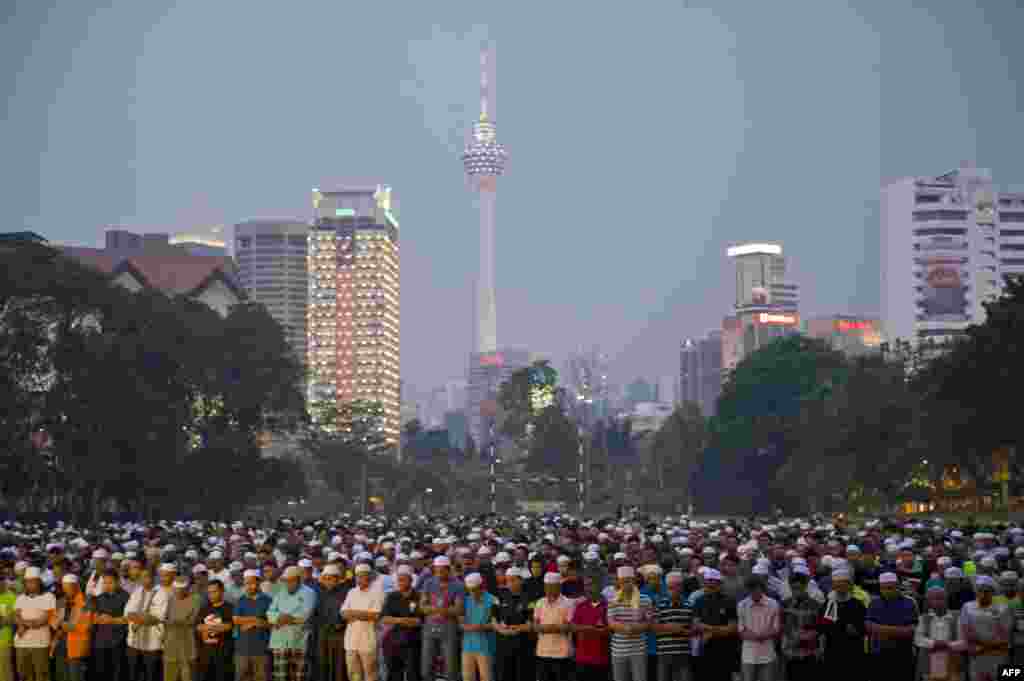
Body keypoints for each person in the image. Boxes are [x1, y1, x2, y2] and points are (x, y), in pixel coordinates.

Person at [866, 572, 919, 681]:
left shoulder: (910, 602)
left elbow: (913, 630)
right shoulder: (874, 603)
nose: (887, 591)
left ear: (897, 586)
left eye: (890, 588)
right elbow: (869, 626)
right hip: (879, 654)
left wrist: (881, 629)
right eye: (884, 588)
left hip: (903, 654)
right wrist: (899, 630)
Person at [268, 565, 316, 681]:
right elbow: (270, 613)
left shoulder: (309, 592)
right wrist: (283, 618)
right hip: (279, 640)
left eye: (291, 581)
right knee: (280, 677)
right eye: (286, 581)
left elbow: (304, 616)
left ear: (299, 580)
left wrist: (281, 618)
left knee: (299, 677)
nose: (288, 583)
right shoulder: (280, 591)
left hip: (299, 640)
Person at [960, 575, 1012, 681]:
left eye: (987, 591)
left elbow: (1005, 635)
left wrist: (985, 647)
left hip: (997, 656)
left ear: (993, 592)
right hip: (977, 656)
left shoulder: (1003, 608)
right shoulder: (967, 607)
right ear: (975, 591)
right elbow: (965, 632)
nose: (983, 594)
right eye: (980, 590)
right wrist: (977, 647)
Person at [419, 556, 462, 681]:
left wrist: (437, 610)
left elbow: (458, 609)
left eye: (442, 570)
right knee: (426, 667)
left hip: (449, 628)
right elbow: (422, 606)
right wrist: (440, 609)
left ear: (448, 570)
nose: (439, 574)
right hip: (430, 627)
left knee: (450, 668)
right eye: (436, 570)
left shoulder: (458, 585)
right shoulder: (429, 582)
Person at [608, 565, 652, 681]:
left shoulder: (645, 599)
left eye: (628, 581)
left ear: (634, 581)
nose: (626, 584)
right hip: (619, 650)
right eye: (623, 581)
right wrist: (626, 628)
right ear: (618, 582)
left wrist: (635, 628)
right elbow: (611, 623)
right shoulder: (613, 600)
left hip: (639, 649)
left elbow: (649, 622)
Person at [693, 569, 738, 681]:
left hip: (725, 650)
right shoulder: (699, 601)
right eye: (707, 582)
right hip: (705, 649)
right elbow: (696, 624)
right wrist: (714, 630)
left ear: (719, 584)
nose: (710, 585)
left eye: (713, 582)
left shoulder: (729, 601)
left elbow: (732, 628)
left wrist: (710, 631)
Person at [340, 564, 383, 681]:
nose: (360, 579)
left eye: (363, 576)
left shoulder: (377, 592)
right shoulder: (351, 592)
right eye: (358, 576)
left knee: (370, 673)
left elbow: (375, 615)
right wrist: (362, 614)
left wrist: (353, 613)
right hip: (351, 640)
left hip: (368, 639)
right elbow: (343, 613)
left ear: (369, 577)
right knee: (353, 674)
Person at [14, 566, 56, 681]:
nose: (30, 584)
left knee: (41, 675)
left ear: (39, 582)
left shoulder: (49, 596)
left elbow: (43, 620)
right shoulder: (20, 598)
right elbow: (16, 616)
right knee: (24, 675)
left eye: (33, 581)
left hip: (40, 643)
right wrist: (23, 624)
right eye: (28, 582)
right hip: (21, 643)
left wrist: (24, 626)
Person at [914, 585, 965, 681]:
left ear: (946, 599)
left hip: (953, 663)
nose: (938, 602)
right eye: (934, 599)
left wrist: (947, 645)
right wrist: (934, 644)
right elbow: (918, 639)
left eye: (941, 598)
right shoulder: (923, 618)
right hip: (930, 665)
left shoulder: (957, 617)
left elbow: (964, 641)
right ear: (929, 602)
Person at [124, 568, 167, 681]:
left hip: (152, 644)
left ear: (153, 578)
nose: (144, 579)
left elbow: (156, 618)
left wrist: (138, 617)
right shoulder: (137, 591)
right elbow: (127, 612)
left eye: (147, 576)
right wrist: (142, 617)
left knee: (151, 676)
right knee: (134, 675)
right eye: (142, 577)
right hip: (134, 642)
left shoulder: (162, 593)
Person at [379, 565, 421, 681]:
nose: (401, 582)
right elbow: (384, 618)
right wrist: (402, 620)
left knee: (413, 672)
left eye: (404, 579)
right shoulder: (392, 596)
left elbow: (419, 621)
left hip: (413, 641)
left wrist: (397, 620)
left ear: (411, 580)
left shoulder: (418, 596)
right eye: (399, 580)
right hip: (393, 641)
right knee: (394, 673)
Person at [89, 570, 130, 681]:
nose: (107, 585)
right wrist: (96, 618)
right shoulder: (99, 597)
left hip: (118, 640)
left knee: (117, 672)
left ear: (117, 582)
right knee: (101, 671)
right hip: (100, 641)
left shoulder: (125, 597)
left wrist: (112, 620)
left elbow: (128, 619)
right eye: (105, 583)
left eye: (110, 582)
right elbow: (93, 616)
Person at [737, 576, 780, 681]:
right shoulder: (742, 605)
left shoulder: (773, 604)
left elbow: (776, 628)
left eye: (757, 588)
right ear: (747, 589)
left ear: (762, 588)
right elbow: (741, 630)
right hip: (748, 655)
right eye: (751, 589)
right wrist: (756, 636)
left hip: (768, 654)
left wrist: (763, 635)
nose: (754, 592)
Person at [779, 566, 818, 681]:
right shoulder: (785, 604)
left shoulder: (815, 604)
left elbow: (819, 629)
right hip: (789, 654)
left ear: (805, 587)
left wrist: (810, 639)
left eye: (799, 588)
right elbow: (781, 626)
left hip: (809, 653)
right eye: (793, 588)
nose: (796, 591)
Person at [494, 567, 533, 681]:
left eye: (513, 580)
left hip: (523, 644)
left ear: (521, 580)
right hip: (504, 643)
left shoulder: (529, 598)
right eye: (508, 580)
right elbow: (493, 618)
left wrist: (518, 629)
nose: (510, 583)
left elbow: (531, 623)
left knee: (522, 675)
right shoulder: (500, 596)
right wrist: (501, 629)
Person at [531, 572, 571, 681]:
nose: (548, 590)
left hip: (562, 652)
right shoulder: (540, 602)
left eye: (551, 587)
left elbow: (567, 627)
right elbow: (535, 626)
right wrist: (554, 627)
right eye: (546, 586)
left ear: (559, 587)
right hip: (542, 651)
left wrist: (544, 628)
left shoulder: (568, 603)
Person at [232, 569, 272, 681]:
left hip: (261, 649)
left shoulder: (267, 600)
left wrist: (255, 622)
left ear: (259, 583)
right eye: (247, 583)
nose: (249, 586)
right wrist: (255, 620)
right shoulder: (241, 600)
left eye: (252, 583)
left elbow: (271, 623)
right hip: (242, 649)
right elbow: (235, 620)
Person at [572, 571, 610, 681]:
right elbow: (573, 627)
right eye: (585, 585)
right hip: (582, 658)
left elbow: (610, 630)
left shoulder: (608, 606)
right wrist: (590, 628)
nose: (587, 588)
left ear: (599, 585)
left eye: (590, 585)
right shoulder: (580, 606)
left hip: (602, 660)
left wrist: (588, 628)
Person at [459, 572, 498, 681]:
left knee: (486, 677)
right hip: (467, 646)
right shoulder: (465, 600)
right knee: (467, 677)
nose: (472, 593)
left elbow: (497, 624)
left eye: (474, 590)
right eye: (470, 590)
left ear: (481, 587)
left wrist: (482, 626)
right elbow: (460, 621)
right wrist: (463, 626)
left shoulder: (493, 600)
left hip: (486, 646)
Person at [312, 564, 348, 681]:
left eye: (332, 578)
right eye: (326, 578)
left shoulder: (345, 593)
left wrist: (340, 623)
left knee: (339, 666)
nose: (329, 581)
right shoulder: (319, 593)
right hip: (323, 634)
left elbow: (346, 614)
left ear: (337, 579)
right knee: (323, 665)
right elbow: (315, 614)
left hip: (339, 634)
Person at [653, 571, 691, 681]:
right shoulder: (659, 605)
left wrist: (668, 627)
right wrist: (675, 628)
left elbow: (691, 630)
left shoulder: (688, 605)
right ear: (667, 587)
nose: (674, 590)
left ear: (681, 587)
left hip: (683, 654)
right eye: (671, 587)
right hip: (664, 654)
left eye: (677, 586)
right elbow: (655, 629)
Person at [196, 580, 234, 681]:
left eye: (214, 591)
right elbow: (198, 626)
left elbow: (229, 626)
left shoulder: (229, 608)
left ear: (222, 591)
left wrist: (208, 627)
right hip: (206, 655)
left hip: (224, 655)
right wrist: (216, 627)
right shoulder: (204, 608)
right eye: (209, 592)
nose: (211, 595)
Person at [164, 576, 200, 681]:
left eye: (181, 590)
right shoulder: (170, 599)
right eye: (176, 589)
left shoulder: (196, 599)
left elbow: (193, 620)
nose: (178, 592)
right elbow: (165, 619)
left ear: (187, 589)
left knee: (188, 676)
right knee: (169, 676)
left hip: (188, 644)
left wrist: (176, 621)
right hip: (170, 644)